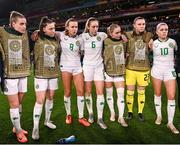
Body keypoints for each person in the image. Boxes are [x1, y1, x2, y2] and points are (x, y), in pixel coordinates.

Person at [0, 11, 30, 143]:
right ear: (13, 23)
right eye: (21, 24)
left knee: (19, 104)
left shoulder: (25, 35)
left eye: (25, 24)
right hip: (9, 74)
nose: (24, 27)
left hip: (23, 72)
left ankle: (16, 127)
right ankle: (18, 131)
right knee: (14, 104)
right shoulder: (2, 31)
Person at [57, 18, 90, 127]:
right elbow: (48, 31)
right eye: (72, 26)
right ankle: (69, 114)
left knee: (80, 92)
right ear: (67, 27)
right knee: (67, 92)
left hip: (77, 67)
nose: (75, 29)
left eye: (76, 26)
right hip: (65, 67)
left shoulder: (80, 39)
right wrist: (37, 32)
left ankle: (81, 117)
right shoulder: (61, 35)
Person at [32, 16, 61, 140]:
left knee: (50, 97)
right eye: (50, 28)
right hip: (41, 75)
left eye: (54, 28)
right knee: (40, 101)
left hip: (53, 73)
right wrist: (35, 32)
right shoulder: (37, 37)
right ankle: (35, 127)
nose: (53, 30)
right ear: (43, 29)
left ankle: (47, 121)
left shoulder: (56, 39)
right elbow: (27, 34)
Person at [151, 22, 179, 134]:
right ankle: (159, 116)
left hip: (169, 70)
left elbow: (177, 54)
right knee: (157, 94)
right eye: (161, 29)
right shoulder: (153, 43)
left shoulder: (173, 42)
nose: (164, 31)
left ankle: (170, 123)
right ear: (157, 32)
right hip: (156, 70)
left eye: (166, 29)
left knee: (171, 96)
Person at [80, 17, 107, 129]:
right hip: (87, 67)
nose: (96, 29)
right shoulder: (83, 37)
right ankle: (90, 112)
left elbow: (115, 34)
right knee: (88, 91)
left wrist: (124, 36)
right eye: (93, 26)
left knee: (100, 92)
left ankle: (100, 118)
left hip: (99, 66)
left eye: (97, 26)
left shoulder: (102, 35)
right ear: (88, 27)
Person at [125, 16, 153, 121]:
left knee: (141, 92)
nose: (142, 26)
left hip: (144, 69)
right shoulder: (127, 35)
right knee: (130, 92)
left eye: (143, 24)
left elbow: (152, 48)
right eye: (139, 24)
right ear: (134, 25)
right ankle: (130, 111)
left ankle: (140, 112)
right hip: (130, 69)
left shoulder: (149, 36)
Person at [103, 24, 128, 127]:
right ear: (110, 33)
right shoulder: (104, 41)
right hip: (108, 72)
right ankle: (113, 112)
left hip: (119, 72)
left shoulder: (124, 41)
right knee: (109, 95)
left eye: (120, 32)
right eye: (116, 33)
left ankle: (121, 117)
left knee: (121, 95)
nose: (119, 34)